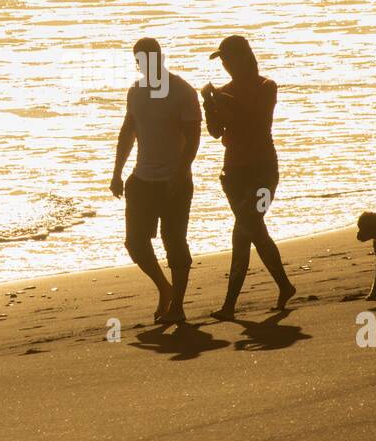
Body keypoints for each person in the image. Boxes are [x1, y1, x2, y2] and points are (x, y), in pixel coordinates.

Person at [202, 35, 295, 320]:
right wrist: (208, 103)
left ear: (245, 57)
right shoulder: (222, 91)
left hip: (264, 172)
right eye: (223, 60)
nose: (226, 65)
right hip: (233, 173)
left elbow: (256, 119)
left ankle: (231, 304)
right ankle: (283, 286)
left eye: (229, 58)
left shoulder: (266, 86)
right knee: (250, 229)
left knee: (245, 228)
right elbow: (216, 131)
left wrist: (221, 99)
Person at [110, 38, 201, 324]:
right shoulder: (135, 92)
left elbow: (194, 139)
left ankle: (178, 306)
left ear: (159, 58)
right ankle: (165, 288)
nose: (141, 66)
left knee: (174, 241)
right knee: (135, 243)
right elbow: (128, 132)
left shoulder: (182, 91)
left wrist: (179, 173)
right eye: (138, 62)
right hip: (142, 179)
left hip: (175, 181)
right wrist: (117, 173)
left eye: (145, 60)